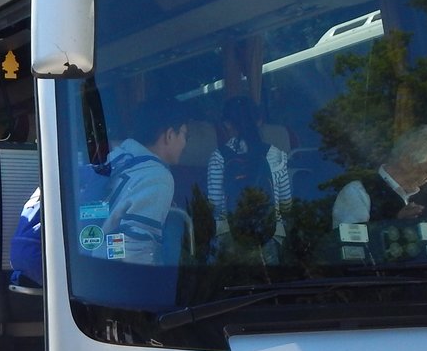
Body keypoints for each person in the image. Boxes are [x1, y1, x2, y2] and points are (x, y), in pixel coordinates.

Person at [96, 101, 189, 265]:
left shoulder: (120, 157)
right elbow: (136, 250)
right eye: (184, 134)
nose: (185, 144)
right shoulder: (157, 177)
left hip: (93, 264)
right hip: (115, 279)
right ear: (169, 135)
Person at [206, 96, 292, 252]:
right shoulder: (276, 155)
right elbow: (286, 204)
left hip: (232, 240)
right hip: (271, 236)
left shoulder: (218, 157)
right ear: (259, 121)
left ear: (226, 124)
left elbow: (215, 206)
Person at [331, 124, 427, 226]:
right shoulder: (359, 193)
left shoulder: (426, 203)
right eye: (426, 171)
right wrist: (395, 224)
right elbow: (353, 247)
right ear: (405, 161)